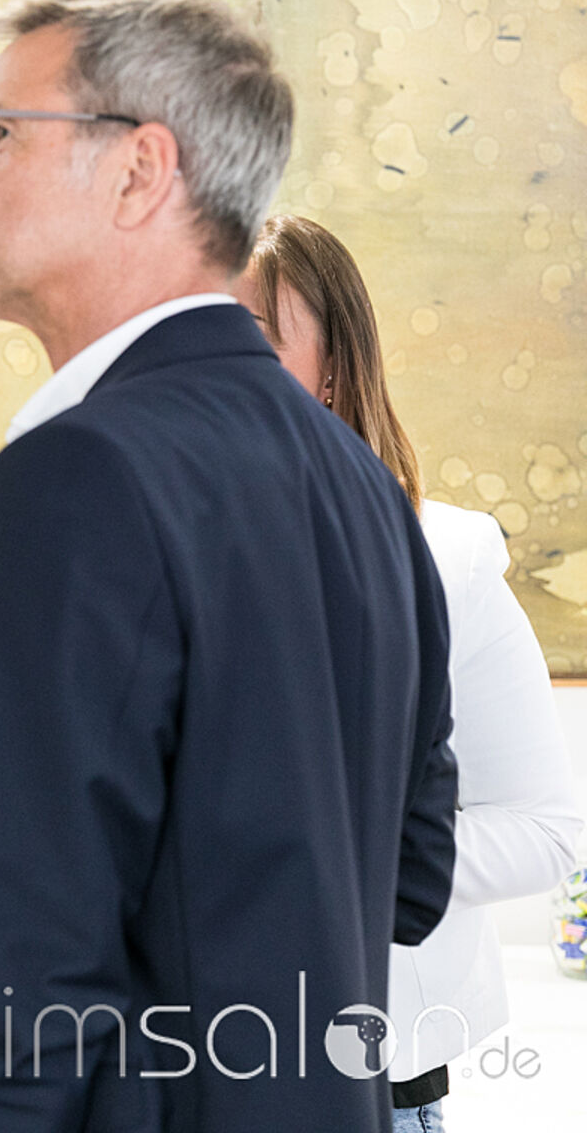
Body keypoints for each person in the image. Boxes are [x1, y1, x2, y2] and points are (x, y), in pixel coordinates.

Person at [0, 0, 458, 1130]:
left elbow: (19, 985)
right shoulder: (364, 487)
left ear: (138, 170)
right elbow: (410, 880)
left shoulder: (80, 473)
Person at [238, 214, 583, 1131]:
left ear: (333, 370)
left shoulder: (445, 559)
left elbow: (547, 829)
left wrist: (333, 864)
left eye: (251, 338)